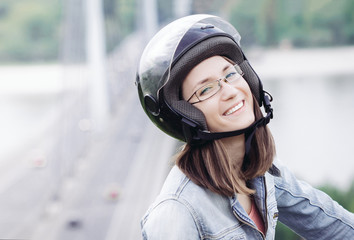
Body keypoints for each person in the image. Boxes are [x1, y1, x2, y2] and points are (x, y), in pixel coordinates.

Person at [135, 14, 354, 239]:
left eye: (230, 74)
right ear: (185, 115)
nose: (230, 91)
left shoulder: (261, 171)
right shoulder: (175, 214)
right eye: (206, 89)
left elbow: (331, 223)